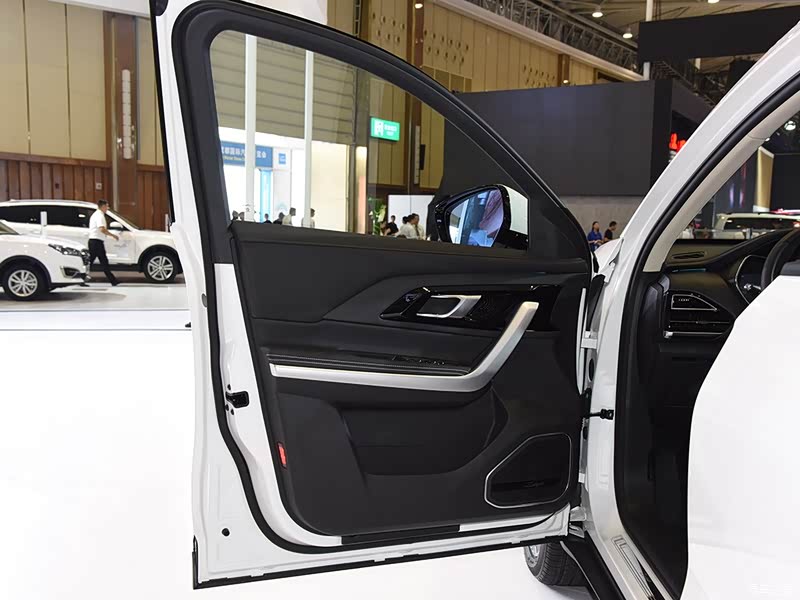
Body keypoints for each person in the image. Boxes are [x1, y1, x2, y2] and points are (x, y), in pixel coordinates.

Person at [88, 200, 120, 286]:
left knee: (96, 261)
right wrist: (113, 235)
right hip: (96, 242)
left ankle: (113, 280)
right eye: (106, 206)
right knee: (101, 261)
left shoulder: (96, 214)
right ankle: (113, 280)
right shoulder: (99, 215)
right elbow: (102, 229)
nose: (107, 208)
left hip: (95, 241)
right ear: (102, 206)